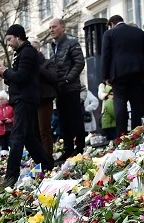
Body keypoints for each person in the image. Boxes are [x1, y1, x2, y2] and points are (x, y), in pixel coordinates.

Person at [0, 25, 54, 186]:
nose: (8, 43)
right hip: (22, 98)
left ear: (18, 36)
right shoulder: (21, 52)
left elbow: (21, 76)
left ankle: (11, 176)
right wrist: (5, 74)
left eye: (9, 39)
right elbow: (19, 77)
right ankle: (48, 167)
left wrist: (6, 71)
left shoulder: (27, 52)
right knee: (29, 138)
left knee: (17, 137)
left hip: (25, 99)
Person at [44, 18, 85, 162]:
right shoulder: (53, 47)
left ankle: (80, 146)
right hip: (59, 89)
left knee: (75, 118)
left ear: (62, 27)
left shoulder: (72, 43)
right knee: (63, 120)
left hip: (71, 87)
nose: (51, 30)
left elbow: (79, 62)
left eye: (54, 27)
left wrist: (68, 78)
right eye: (50, 27)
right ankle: (68, 148)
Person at [102, 15, 144, 135]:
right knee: (137, 105)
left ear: (112, 24)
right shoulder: (138, 32)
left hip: (118, 75)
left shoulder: (109, 34)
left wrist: (105, 76)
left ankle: (122, 135)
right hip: (137, 73)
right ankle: (136, 134)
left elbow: (106, 56)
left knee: (120, 105)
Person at [33, 40, 57, 160]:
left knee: (44, 129)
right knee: (35, 130)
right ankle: (39, 156)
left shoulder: (47, 63)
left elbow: (52, 77)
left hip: (44, 99)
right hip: (32, 101)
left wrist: (37, 68)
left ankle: (48, 156)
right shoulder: (27, 65)